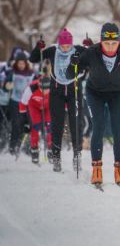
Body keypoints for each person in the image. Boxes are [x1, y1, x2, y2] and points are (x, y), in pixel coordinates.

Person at [68, 23, 120, 187]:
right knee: (98, 126)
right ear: (101, 41)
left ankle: (119, 170)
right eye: (107, 43)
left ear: (118, 41)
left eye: (114, 43)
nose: (111, 47)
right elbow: (70, 74)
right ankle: (96, 169)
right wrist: (74, 63)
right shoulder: (91, 52)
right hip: (95, 93)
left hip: (118, 93)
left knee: (118, 129)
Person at [29, 29, 91, 172]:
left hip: (74, 89)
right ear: (59, 44)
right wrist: (38, 48)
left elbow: (93, 58)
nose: (65, 48)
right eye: (63, 46)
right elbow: (33, 59)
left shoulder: (79, 50)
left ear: (71, 44)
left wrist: (90, 46)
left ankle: (77, 156)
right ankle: (56, 158)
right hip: (56, 91)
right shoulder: (52, 51)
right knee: (57, 124)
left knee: (76, 123)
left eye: (67, 46)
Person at [19, 76, 51, 164]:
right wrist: (25, 122)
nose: (44, 91)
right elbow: (22, 104)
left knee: (50, 127)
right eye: (42, 89)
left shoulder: (54, 88)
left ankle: (51, 150)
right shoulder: (31, 89)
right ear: (38, 85)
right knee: (35, 126)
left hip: (48, 107)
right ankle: (34, 151)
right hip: (34, 106)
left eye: (47, 89)